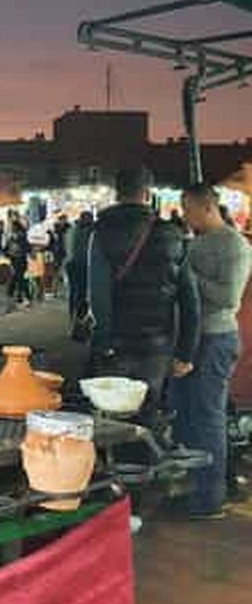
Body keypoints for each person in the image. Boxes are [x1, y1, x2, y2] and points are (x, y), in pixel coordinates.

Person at [90, 167, 200, 421]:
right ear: (148, 193)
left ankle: (117, 459)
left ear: (117, 193)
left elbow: (98, 293)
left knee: (113, 417)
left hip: (116, 343)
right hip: (157, 345)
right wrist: (186, 352)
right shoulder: (172, 234)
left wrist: (103, 340)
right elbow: (189, 299)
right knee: (147, 412)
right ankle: (145, 458)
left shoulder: (101, 232)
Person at [172, 184, 252, 518]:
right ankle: (196, 488)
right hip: (193, 340)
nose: (185, 217)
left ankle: (210, 498)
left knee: (209, 419)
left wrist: (186, 276)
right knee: (189, 416)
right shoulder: (199, 241)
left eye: (188, 209)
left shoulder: (234, 245)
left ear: (206, 207)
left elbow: (228, 297)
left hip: (216, 340)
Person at [5, 218, 32, 305]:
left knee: (18, 279)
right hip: (16, 260)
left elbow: (26, 248)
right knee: (17, 278)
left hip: (19, 260)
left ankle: (23, 297)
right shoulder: (13, 236)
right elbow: (7, 248)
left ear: (16, 227)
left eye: (11, 227)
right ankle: (19, 296)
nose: (10, 228)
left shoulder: (21, 236)